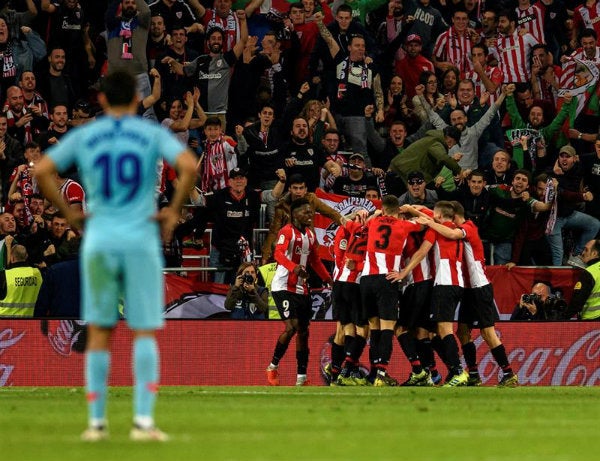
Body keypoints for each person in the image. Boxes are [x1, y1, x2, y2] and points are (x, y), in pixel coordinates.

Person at [34, 70, 197, 442]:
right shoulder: (150, 133)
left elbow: (43, 170)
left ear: (103, 101)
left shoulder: (87, 135)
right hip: (140, 236)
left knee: (99, 332)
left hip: (101, 238)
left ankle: (96, 423)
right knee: (142, 332)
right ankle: (143, 422)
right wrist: (172, 211)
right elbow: (189, 165)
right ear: (138, 100)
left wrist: (69, 211)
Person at [417, 201, 519, 387]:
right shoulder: (452, 226)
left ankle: (508, 373)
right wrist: (412, 208)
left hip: (480, 287)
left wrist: (430, 222)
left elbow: (450, 232)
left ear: (454, 215)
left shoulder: (467, 227)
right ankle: (473, 373)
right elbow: (436, 216)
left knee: (487, 332)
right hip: (467, 288)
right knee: (462, 332)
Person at [265, 198, 332, 386]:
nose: (310, 215)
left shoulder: (310, 235)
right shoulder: (286, 232)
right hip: (283, 286)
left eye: (311, 212)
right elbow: (277, 253)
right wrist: (293, 267)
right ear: (295, 214)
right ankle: (272, 366)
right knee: (291, 327)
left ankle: (301, 378)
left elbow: (315, 261)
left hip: (302, 289)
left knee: (304, 331)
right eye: (306, 212)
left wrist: (328, 279)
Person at [360, 195, 422, 386]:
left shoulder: (374, 221)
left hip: (366, 280)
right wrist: (411, 210)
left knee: (374, 328)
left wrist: (376, 212)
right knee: (388, 328)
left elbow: (366, 220)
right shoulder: (404, 225)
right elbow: (426, 222)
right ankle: (381, 374)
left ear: (383, 209)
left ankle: (373, 374)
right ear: (398, 211)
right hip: (386, 280)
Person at [0, 244, 43, 317]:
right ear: (26, 256)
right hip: (30, 321)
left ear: (12, 258)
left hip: (5, 324)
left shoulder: (4, 275)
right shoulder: (37, 273)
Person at [568, 239, 600, 320]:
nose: (582, 253)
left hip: (591, 322)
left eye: (586, 250)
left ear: (594, 253)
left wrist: (563, 319)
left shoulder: (590, 272)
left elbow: (576, 302)